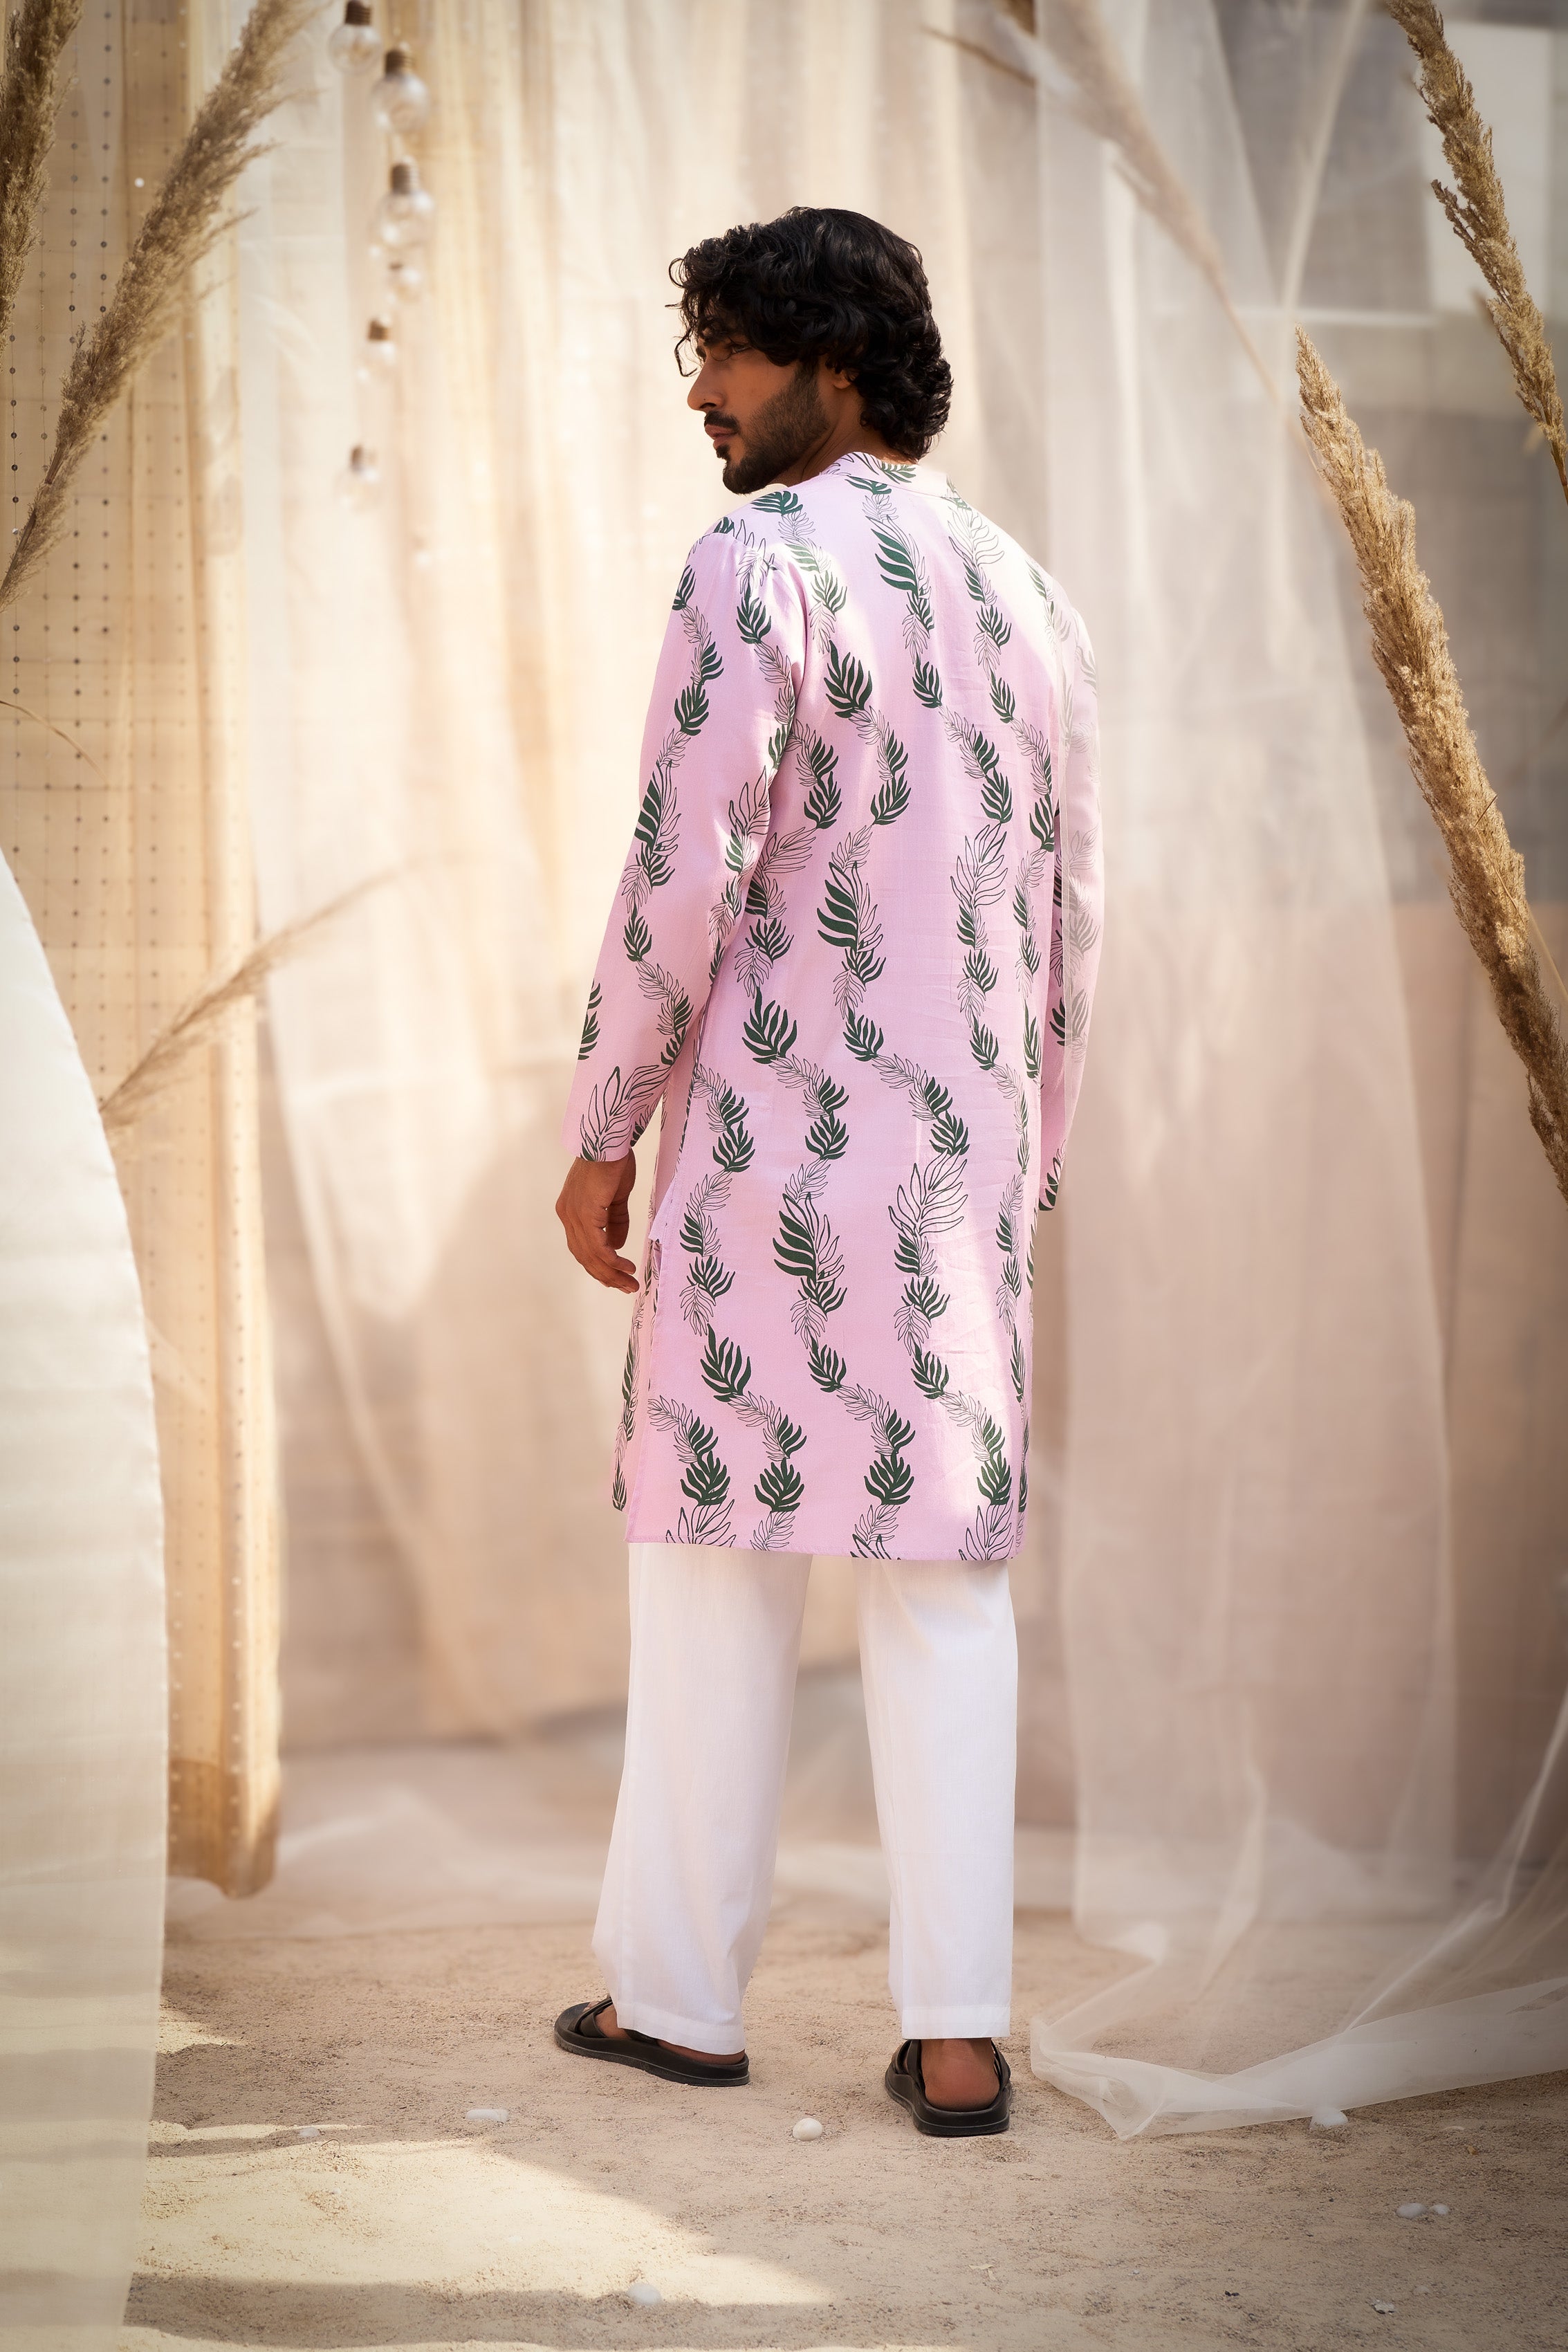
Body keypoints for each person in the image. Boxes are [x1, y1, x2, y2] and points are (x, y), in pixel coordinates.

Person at [553, 205, 1102, 2137]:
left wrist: (603, 1126)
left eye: (728, 350)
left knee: (714, 1566)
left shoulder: (755, 563)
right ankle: (958, 2036)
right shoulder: (1031, 596)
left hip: (771, 1163)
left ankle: (679, 2007)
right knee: (944, 1586)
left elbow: (678, 875)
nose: (699, 390)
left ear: (837, 362)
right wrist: (1027, 1160)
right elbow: (1068, 919)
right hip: (957, 1177)